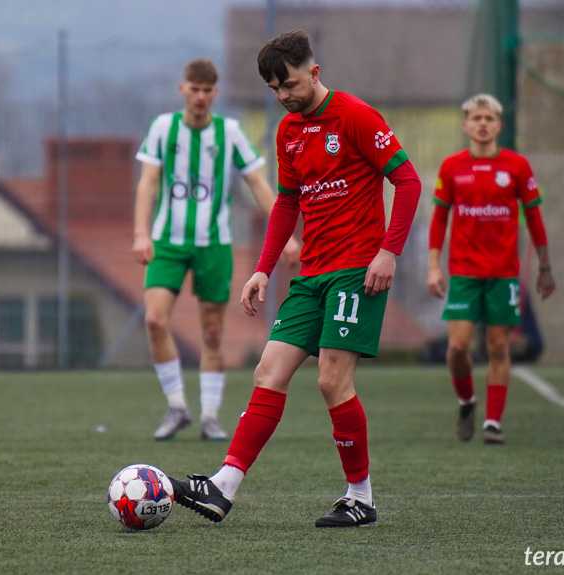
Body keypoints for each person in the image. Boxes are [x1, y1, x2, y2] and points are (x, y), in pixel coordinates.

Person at [168, 30, 421, 528]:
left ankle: (360, 498)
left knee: (331, 380)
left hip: (356, 271)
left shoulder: (354, 116)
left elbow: (408, 180)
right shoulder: (288, 132)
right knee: (269, 373)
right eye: (274, 89)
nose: (284, 96)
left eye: (290, 84)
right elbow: (287, 202)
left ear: (315, 72)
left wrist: (388, 253)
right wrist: (262, 269)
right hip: (310, 276)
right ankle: (223, 488)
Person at [133, 58, 299, 441]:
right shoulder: (163, 128)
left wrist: (286, 234)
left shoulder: (230, 132)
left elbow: (257, 183)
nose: (201, 97)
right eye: (194, 89)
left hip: (214, 245)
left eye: (208, 91)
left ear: (215, 93)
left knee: (211, 333)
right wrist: (141, 233)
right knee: (155, 321)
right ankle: (177, 407)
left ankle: (209, 415)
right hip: (167, 243)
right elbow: (147, 184)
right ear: (183, 90)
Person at [427, 93, 556, 445]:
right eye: (476, 118)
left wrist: (545, 266)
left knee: (499, 346)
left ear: (498, 126)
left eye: (489, 119)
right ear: (466, 125)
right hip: (465, 273)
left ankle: (493, 423)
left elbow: (534, 218)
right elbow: (440, 218)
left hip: (502, 274)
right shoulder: (452, 167)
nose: (482, 124)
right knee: (457, 347)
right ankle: (467, 402)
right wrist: (433, 266)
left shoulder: (516, 166)